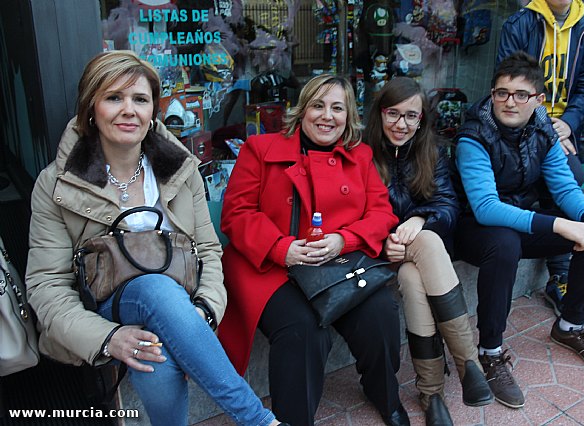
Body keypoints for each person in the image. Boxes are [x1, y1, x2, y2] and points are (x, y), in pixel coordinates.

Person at [25, 51, 285, 426]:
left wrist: (201, 312)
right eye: (114, 98)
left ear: (153, 112)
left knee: (154, 347)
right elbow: (47, 286)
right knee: (154, 292)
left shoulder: (180, 170)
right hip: (103, 306)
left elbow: (209, 251)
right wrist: (107, 337)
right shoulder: (56, 184)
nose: (128, 110)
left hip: (178, 301)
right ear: (91, 109)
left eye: (140, 99)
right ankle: (258, 421)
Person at [218, 74, 410, 426]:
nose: (327, 116)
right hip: (268, 265)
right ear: (302, 110)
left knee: (381, 312)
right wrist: (281, 248)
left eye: (337, 108)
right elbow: (236, 213)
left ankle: (384, 394)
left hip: (336, 264)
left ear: (348, 115)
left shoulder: (360, 155)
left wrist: (344, 240)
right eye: (318, 105)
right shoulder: (260, 149)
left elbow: (383, 213)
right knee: (303, 330)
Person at [451, 52, 584, 409]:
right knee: (505, 245)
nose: (510, 102)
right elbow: (485, 207)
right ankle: (490, 351)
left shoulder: (542, 127)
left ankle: (571, 326)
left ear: (538, 99)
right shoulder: (473, 135)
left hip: (523, 217)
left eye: (520, 94)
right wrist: (559, 224)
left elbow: (563, 186)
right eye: (502, 93)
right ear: (492, 93)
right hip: (473, 227)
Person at [364, 77, 493, 425]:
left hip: (417, 252)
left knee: (412, 274)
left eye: (411, 116)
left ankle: (431, 390)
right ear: (379, 113)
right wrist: (384, 241)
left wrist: (421, 218)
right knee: (425, 250)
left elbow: (448, 206)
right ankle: (469, 364)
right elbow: (351, 213)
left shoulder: (432, 150)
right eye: (393, 113)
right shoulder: (360, 153)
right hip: (376, 252)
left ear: (421, 119)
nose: (401, 124)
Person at [497, 0, 584, 313]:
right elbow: (507, 86)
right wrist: (542, 125)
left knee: (572, 178)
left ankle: (560, 275)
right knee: (559, 177)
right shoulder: (520, 22)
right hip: (522, 123)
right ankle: (552, 261)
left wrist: (567, 124)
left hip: (563, 128)